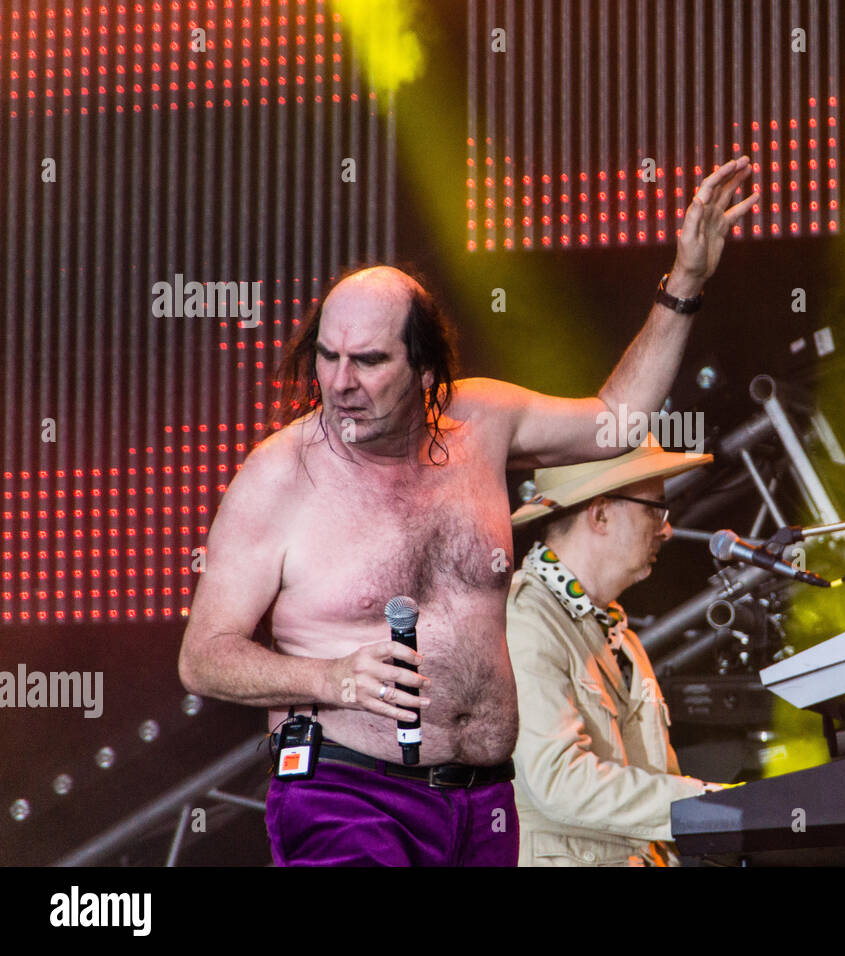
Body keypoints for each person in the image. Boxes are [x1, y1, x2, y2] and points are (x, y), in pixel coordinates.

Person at [176, 157, 758, 866]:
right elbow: (204, 657)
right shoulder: (278, 474)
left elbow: (618, 421)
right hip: (347, 793)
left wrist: (686, 282)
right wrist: (330, 680)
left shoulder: (482, 420)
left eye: (367, 360)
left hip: (483, 803)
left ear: (426, 371)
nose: (338, 382)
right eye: (326, 356)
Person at [506, 437, 728, 866]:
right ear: (601, 513)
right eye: (655, 509)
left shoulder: (618, 634)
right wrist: (710, 806)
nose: (667, 528)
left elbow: (651, 793)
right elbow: (559, 781)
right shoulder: (525, 617)